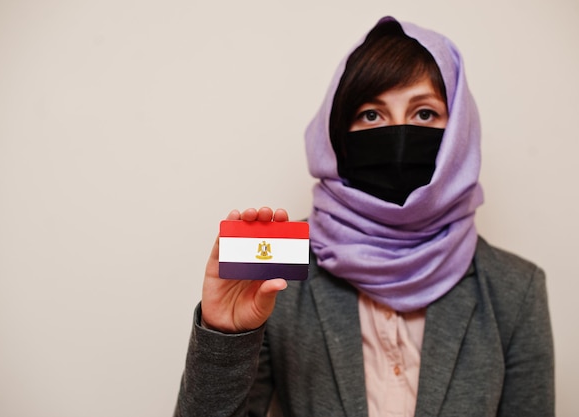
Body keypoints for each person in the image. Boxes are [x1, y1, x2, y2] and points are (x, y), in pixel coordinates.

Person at [174, 16, 555, 417]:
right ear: (338, 134)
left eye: (424, 113)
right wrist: (224, 336)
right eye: (371, 115)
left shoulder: (516, 290)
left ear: (459, 132)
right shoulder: (278, 270)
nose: (398, 136)